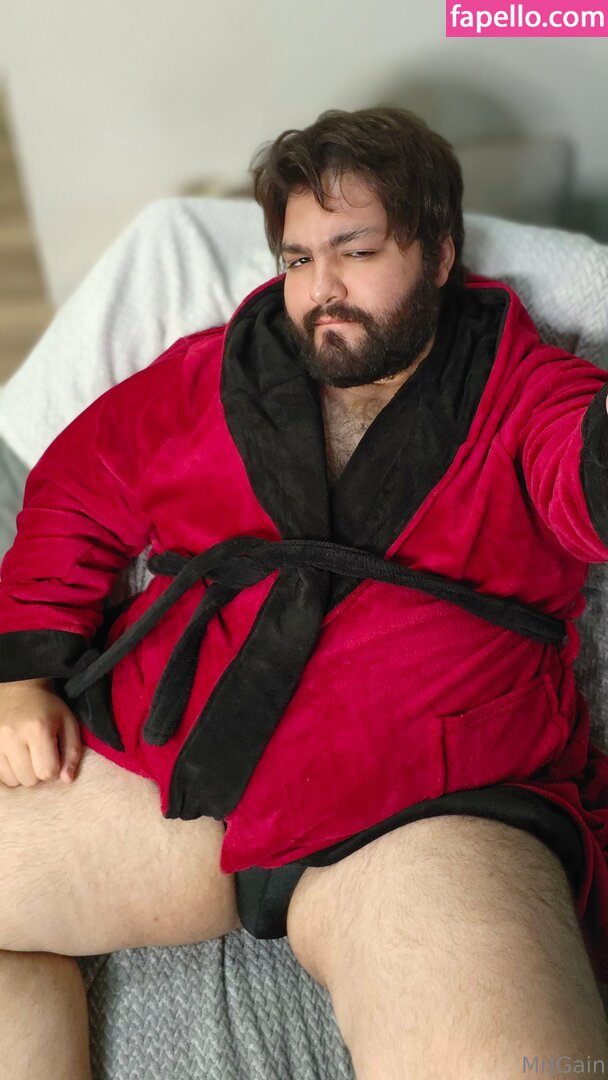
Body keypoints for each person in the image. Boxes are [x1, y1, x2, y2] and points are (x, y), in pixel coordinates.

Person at [0, 106, 607, 1079]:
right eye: (296, 259)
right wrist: (25, 671)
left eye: (355, 251)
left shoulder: (524, 390)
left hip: (429, 801)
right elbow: (77, 490)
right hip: (179, 765)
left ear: (439, 253)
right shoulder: (210, 375)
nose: (321, 288)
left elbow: (579, 471)